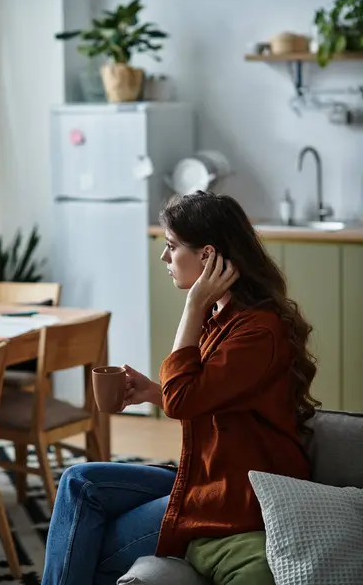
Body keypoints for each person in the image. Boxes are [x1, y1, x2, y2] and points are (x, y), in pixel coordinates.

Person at [41, 191, 319, 585]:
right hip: (208, 472)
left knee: (89, 540)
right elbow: (212, 398)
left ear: (206, 257)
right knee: (78, 482)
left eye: (171, 247)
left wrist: (193, 306)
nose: (163, 257)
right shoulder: (227, 316)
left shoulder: (256, 331)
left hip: (238, 493)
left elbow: (184, 397)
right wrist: (155, 392)